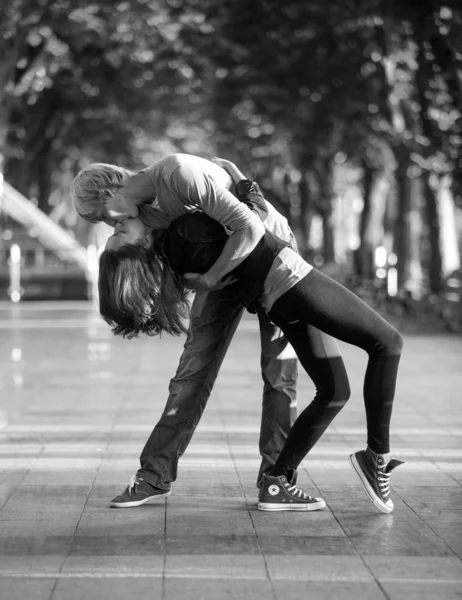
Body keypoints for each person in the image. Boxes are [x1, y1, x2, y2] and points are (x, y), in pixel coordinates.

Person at [98, 157, 405, 514]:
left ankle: (277, 480)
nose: (115, 225)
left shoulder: (175, 247)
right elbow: (252, 224)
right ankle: (376, 458)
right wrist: (245, 182)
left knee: (334, 390)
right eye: (118, 234)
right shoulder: (183, 232)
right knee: (388, 343)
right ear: (138, 251)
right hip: (290, 280)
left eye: (113, 225)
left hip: (278, 296)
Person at [71, 153, 300, 508]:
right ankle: (154, 475)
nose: (108, 225)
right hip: (223, 269)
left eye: (103, 216)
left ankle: (276, 479)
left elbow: (249, 227)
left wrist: (209, 277)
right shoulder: (138, 214)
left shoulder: (177, 174)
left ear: (109, 191)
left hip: (271, 253)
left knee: (279, 373)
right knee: (192, 373)